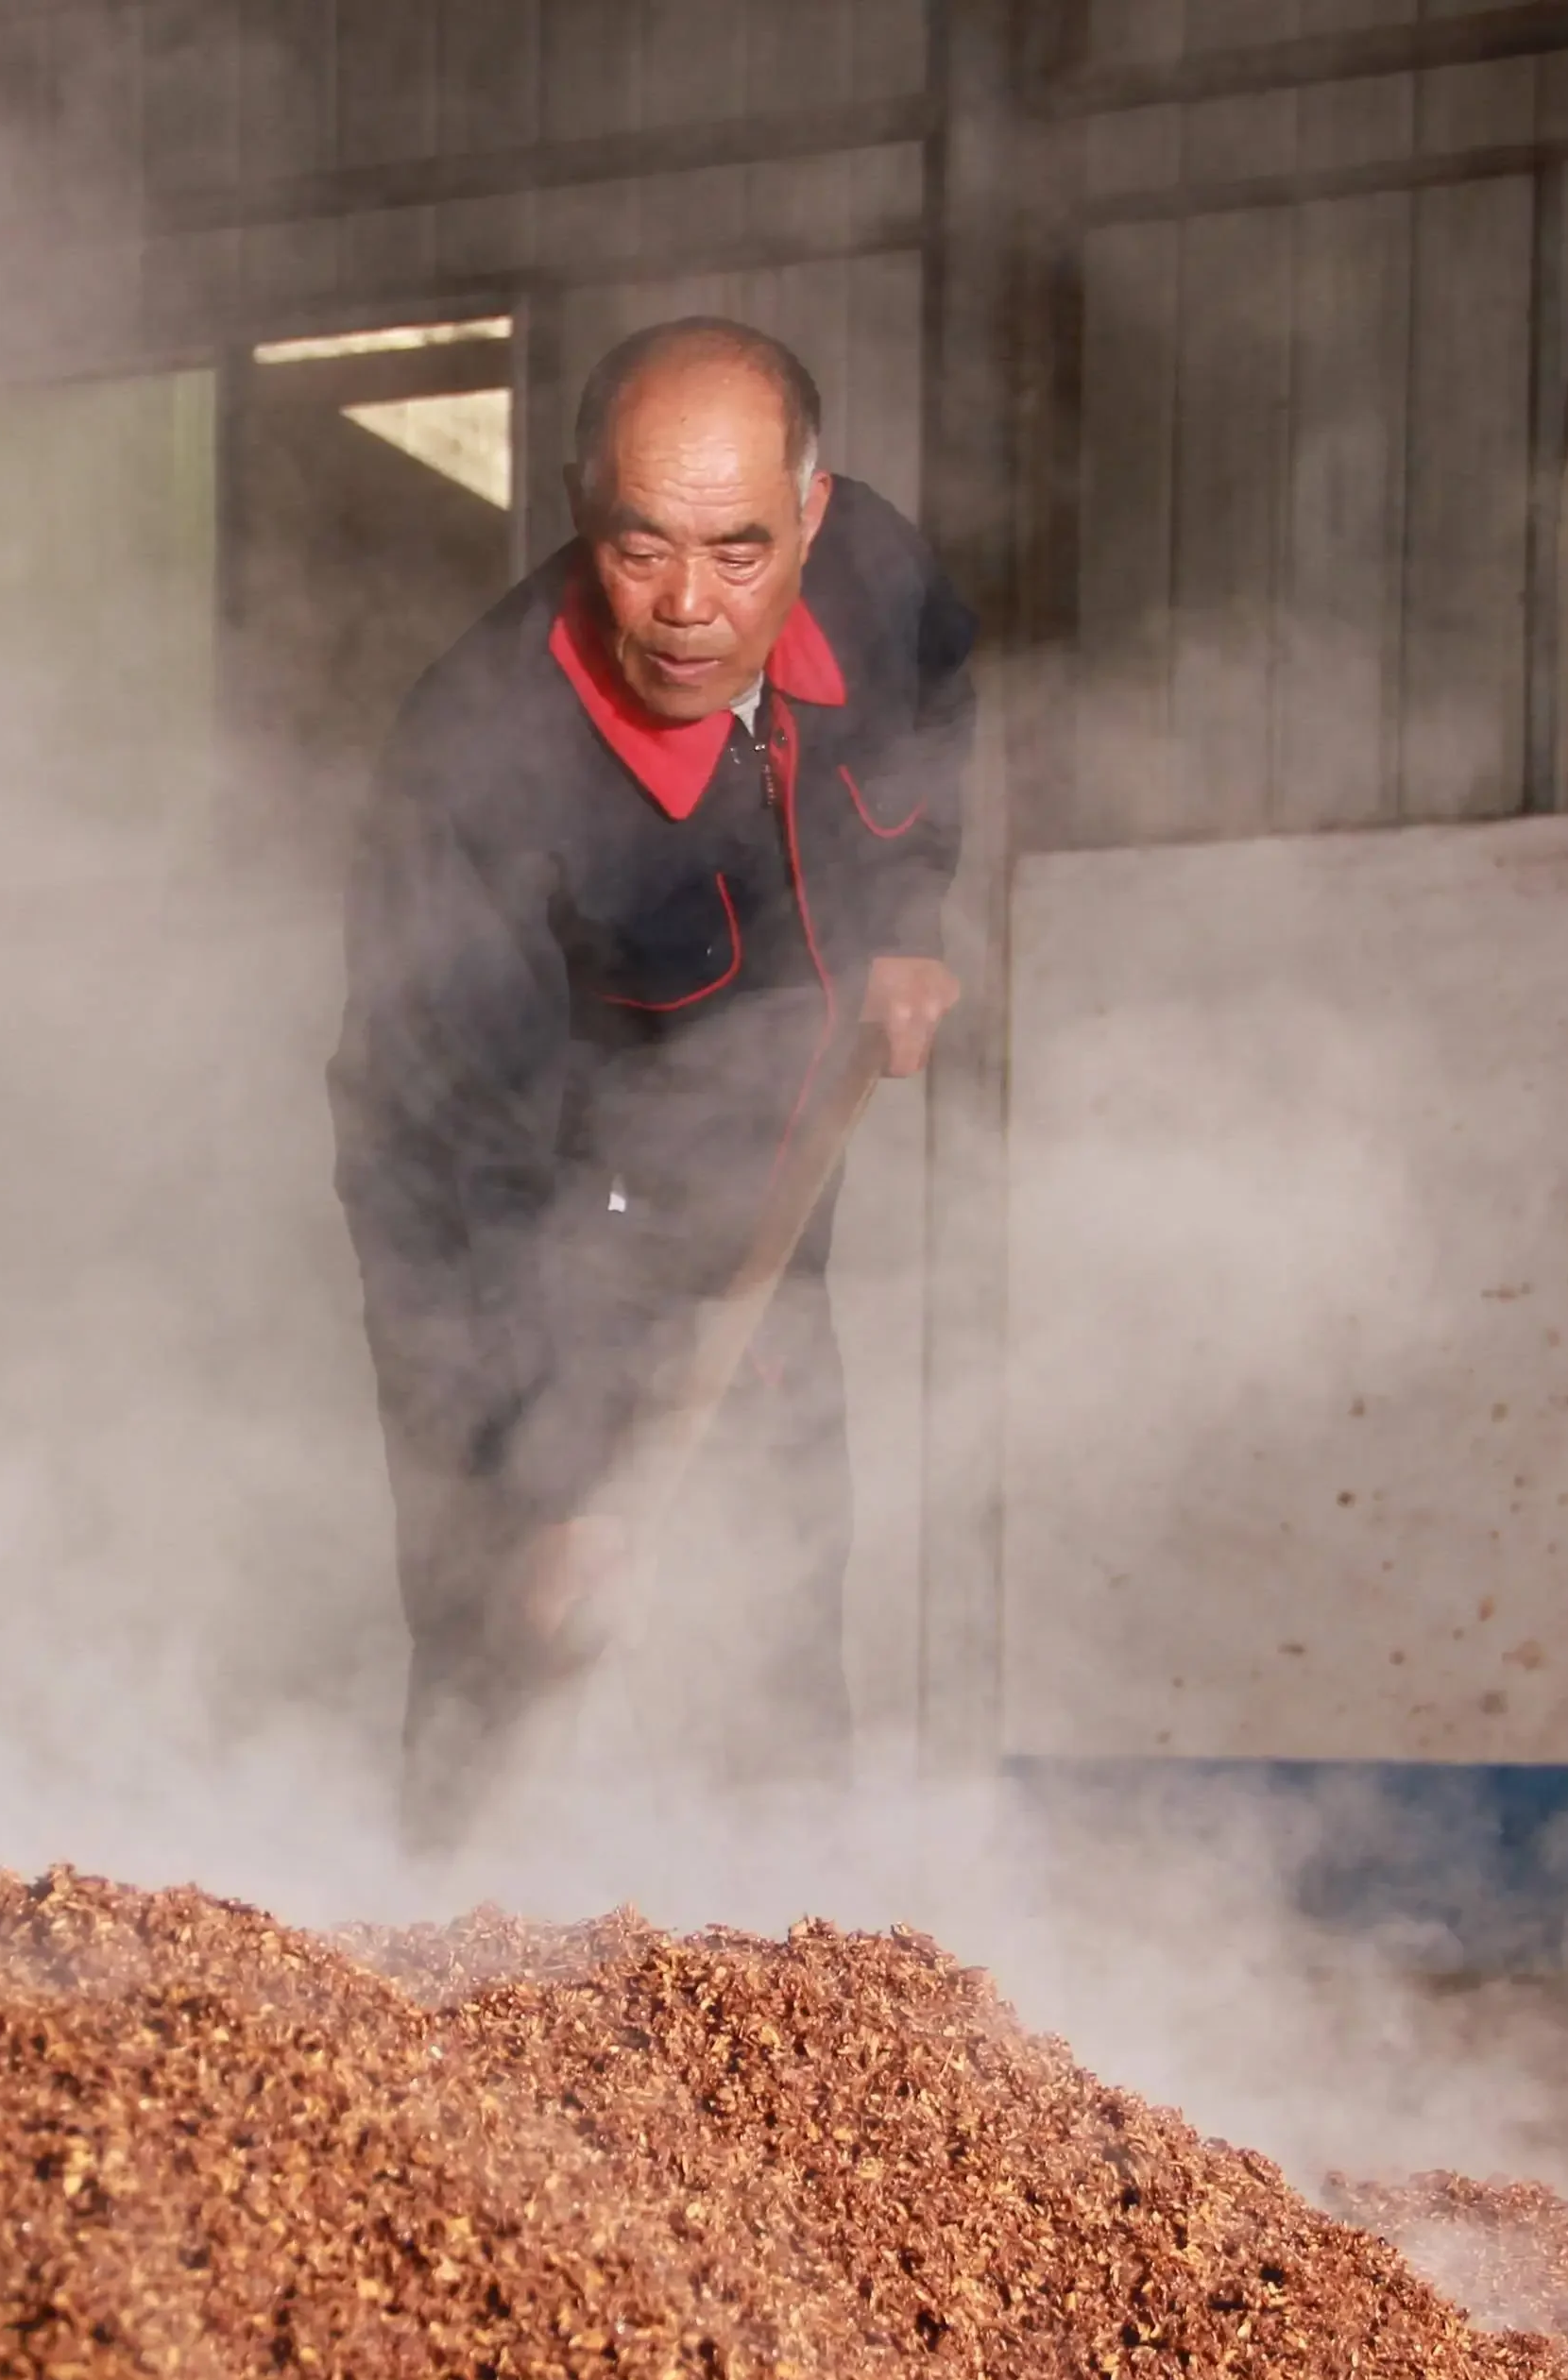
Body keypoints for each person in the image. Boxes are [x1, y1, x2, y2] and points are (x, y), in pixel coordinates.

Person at [325, 314, 977, 1851]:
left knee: (776, 1638)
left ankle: (789, 1963)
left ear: (811, 517)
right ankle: (453, 1955)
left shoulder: (882, 579)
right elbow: (434, 1157)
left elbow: (936, 708)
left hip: (760, 1213)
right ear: (580, 514)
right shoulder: (476, 766)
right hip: (530, 1250)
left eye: (740, 552)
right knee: (510, 1661)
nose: (689, 608)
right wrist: (538, 1485)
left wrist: (907, 917)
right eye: (642, 548)